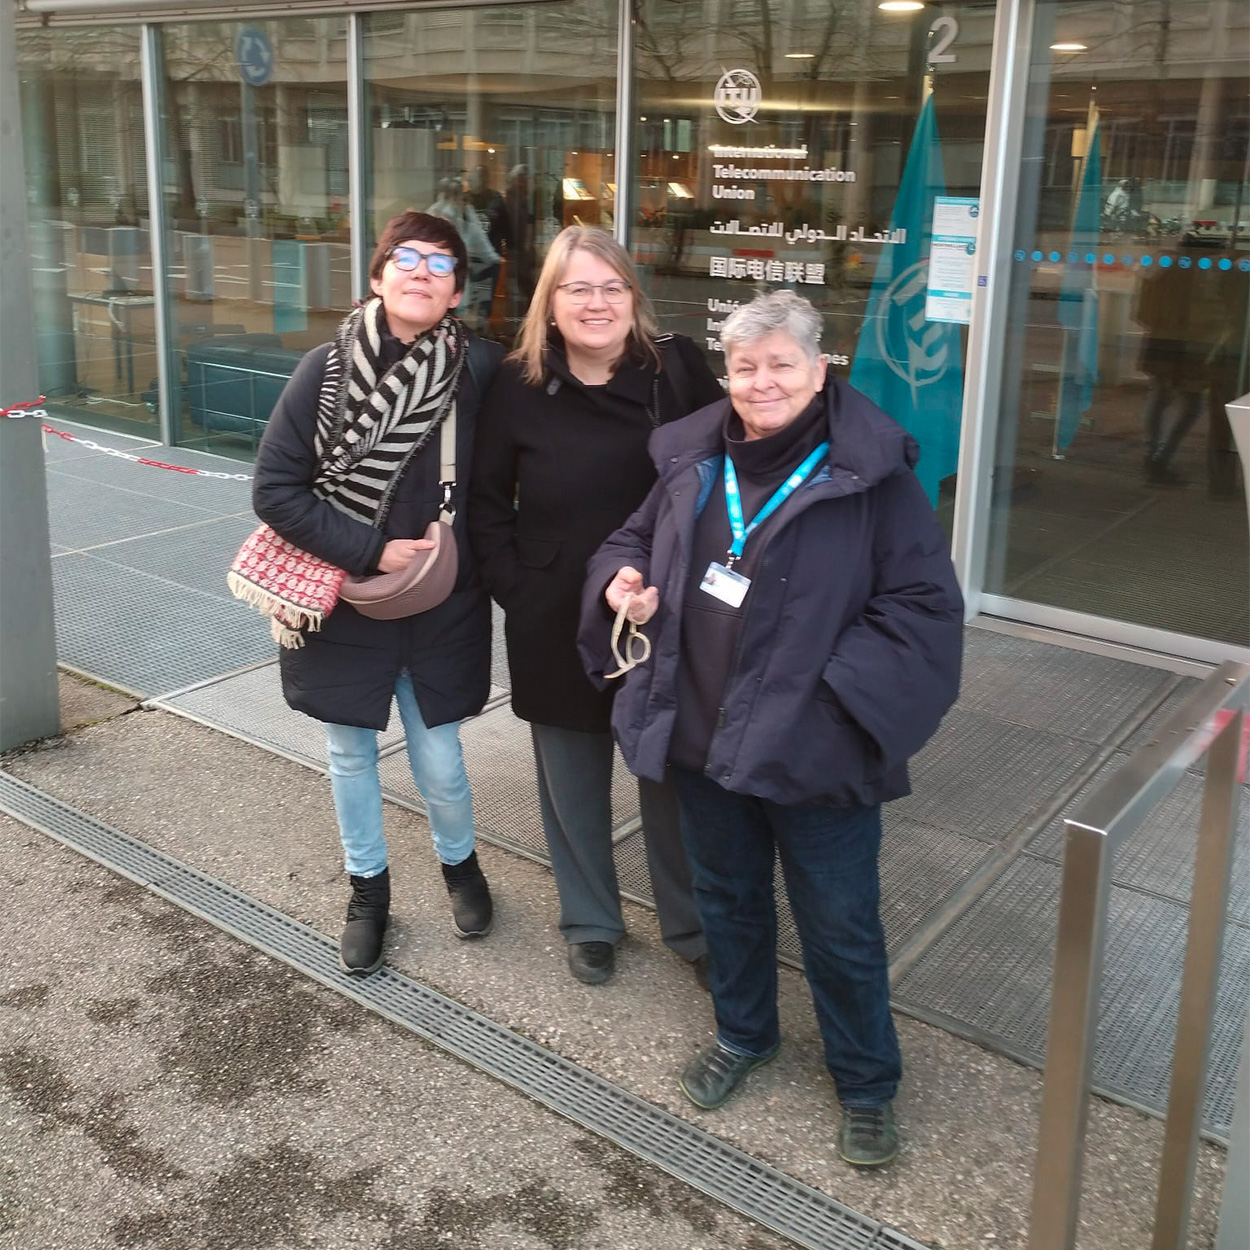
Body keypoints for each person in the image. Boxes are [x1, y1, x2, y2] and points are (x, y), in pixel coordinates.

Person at [579, 290, 963, 1167]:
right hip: (703, 738)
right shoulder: (692, 460)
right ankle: (745, 1035)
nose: (762, 382)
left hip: (815, 748)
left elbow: (925, 611)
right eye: (744, 366)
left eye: (781, 364)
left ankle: (866, 1083)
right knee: (728, 901)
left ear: (819, 370)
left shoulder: (875, 476)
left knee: (840, 925)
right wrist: (622, 581)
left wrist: (827, 699)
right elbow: (625, 542)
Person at [469, 225, 724, 987]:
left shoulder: (675, 368)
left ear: (633, 299)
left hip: (661, 610)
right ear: (550, 303)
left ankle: (692, 926)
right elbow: (484, 508)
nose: (597, 301)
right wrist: (520, 588)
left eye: (612, 286)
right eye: (577, 287)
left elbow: (737, 460)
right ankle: (590, 919)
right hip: (554, 611)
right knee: (571, 780)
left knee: (671, 778)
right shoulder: (517, 385)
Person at [252, 210, 504, 977]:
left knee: (442, 762)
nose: (422, 271)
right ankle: (369, 891)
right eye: (406, 257)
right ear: (376, 276)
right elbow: (275, 490)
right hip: (347, 598)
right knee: (349, 754)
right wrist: (371, 548)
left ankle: (460, 865)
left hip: (443, 603)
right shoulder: (323, 371)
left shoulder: (483, 371)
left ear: (458, 288)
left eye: (440, 262)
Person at [428, 177, 501, 329]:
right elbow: (486, 251)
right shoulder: (456, 217)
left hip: (446, 285)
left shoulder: (437, 213)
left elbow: (486, 251)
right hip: (448, 284)